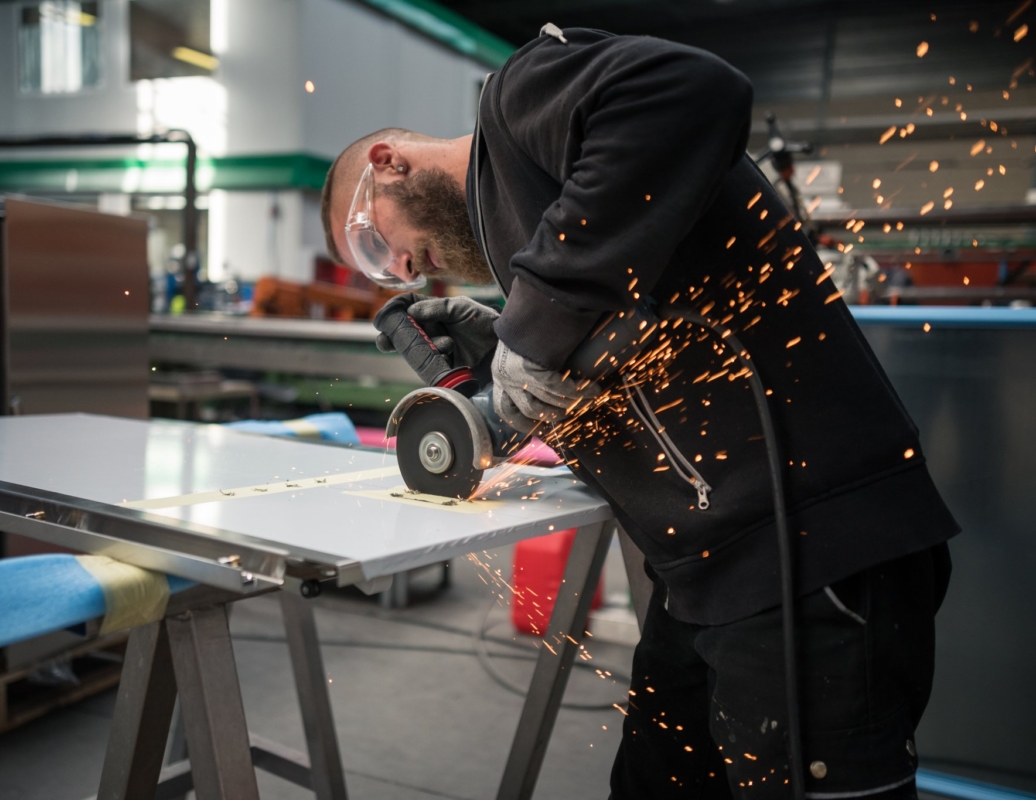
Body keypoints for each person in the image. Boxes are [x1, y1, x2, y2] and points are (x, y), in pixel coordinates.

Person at [320, 26, 956, 798]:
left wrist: (541, 320)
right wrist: (508, 358)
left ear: (389, 165)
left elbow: (693, 91)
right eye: (379, 275)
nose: (402, 271)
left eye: (374, 246)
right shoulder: (545, 227)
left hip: (808, 556)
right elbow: (644, 361)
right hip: (706, 579)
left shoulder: (519, 103)